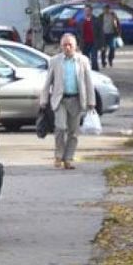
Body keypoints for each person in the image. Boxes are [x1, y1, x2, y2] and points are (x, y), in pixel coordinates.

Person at [39, 33, 95, 170]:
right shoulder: (55, 61)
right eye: (65, 45)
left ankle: (68, 158)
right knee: (61, 127)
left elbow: (88, 82)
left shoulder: (83, 61)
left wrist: (91, 101)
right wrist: (44, 99)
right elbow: (48, 82)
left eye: (70, 45)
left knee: (73, 132)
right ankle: (58, 156)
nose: (67, 47)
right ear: (61, 46)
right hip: (60, 100)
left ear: (75, 46)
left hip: (76, 99)